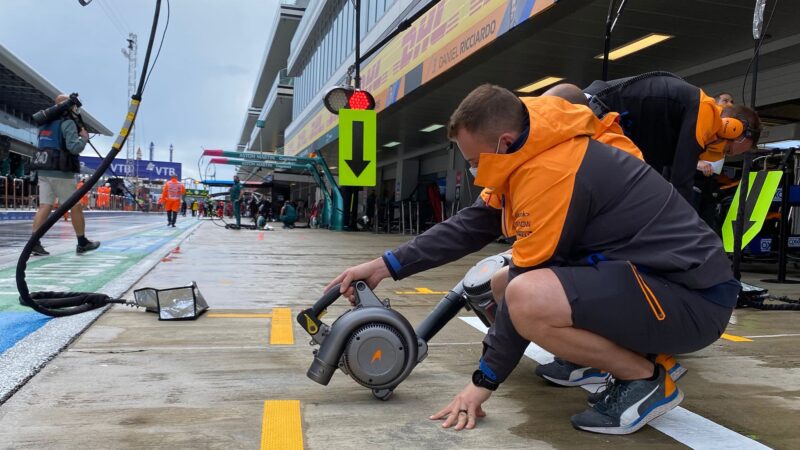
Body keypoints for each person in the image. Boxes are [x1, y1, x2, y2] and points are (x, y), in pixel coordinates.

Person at [326, 84, 738, 435]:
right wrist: (384, 265)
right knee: (505, 284)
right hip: (650, 282)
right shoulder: (530, 147)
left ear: (504, 142)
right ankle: (589, 360)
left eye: (473, 161)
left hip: (693, 300)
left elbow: (528, 281)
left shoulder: (553, 172)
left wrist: (481, 384)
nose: (472, 171)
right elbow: (472, 224)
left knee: (524, 294)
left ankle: (644, 381)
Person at [583, 72, 761, 201]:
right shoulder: (704, 112)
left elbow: (662, 177)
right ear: (731, 128)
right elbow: (680, 181)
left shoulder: (682, 124)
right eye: (727, 149)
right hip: (592, 115)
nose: (720, 154)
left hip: (599, 122)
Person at [29, 94, 100, 256]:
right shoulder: (67, 123)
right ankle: (82, 242)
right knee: (75, 207)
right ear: (68, 106)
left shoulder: (44, 123)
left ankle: (34, 242)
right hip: (61, 172)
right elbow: (74, 148)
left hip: (43, 169)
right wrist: (83, 138)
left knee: (45, 205)